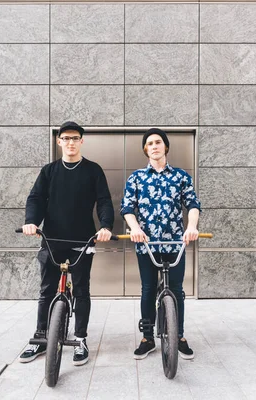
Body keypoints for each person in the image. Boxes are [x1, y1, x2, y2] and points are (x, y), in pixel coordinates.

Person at [18, 121, 114, 366]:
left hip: (83, 240)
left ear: (81, 141)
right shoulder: (49, 171)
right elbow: (36, 198)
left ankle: (80, 339)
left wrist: (105, 227)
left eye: (75, 138)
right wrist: (31, 221)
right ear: (59, 141)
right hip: (52, 240)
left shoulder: (93, 170)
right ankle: (40, 337)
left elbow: (103, 201)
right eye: (66, 138)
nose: (70, 142)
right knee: (46, 291)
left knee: (81, 291)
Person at [120, 128, 201, 360]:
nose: (154, 146)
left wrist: (192, 226)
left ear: (165, 147)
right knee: (147, 289)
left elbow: (193, 204)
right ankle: (147, 338)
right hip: (147, 245)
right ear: (146, 149)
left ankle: (180, 336)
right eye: (149, 144)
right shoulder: (136, 178)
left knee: (177, 291)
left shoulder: (181, 176)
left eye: (158, 142)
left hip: (175, 243)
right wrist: (135, 228)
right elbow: (127, 208)